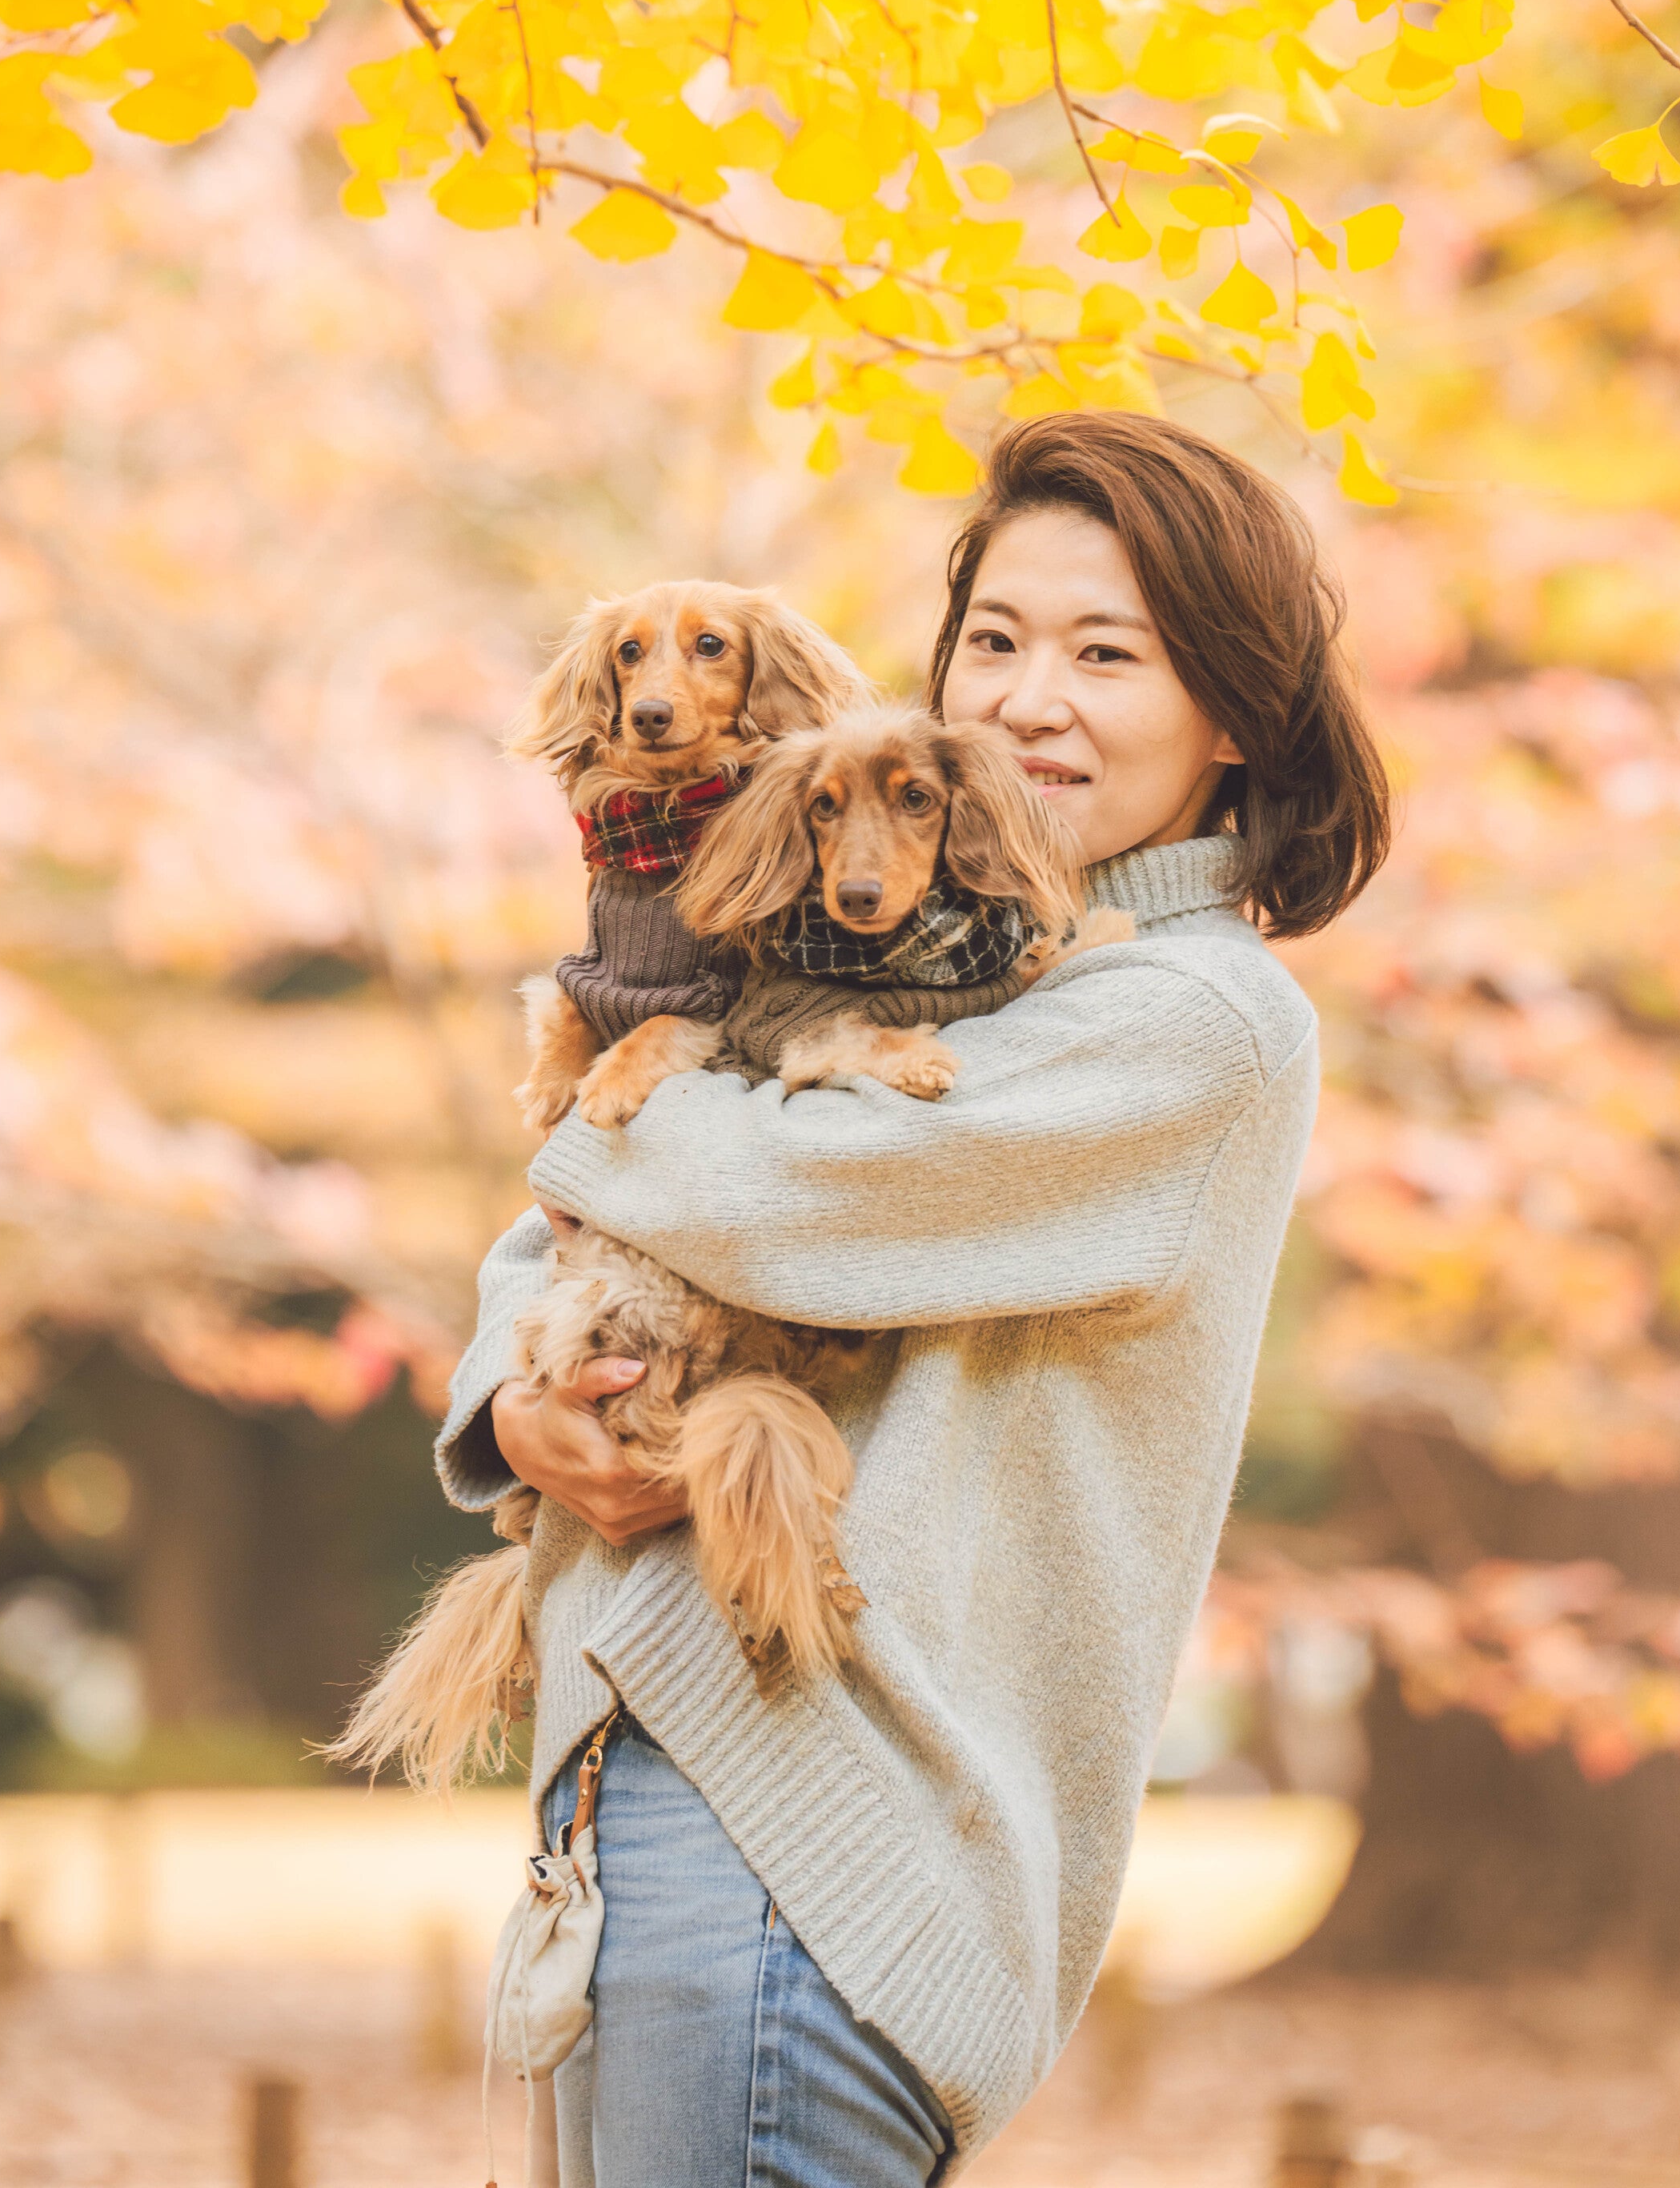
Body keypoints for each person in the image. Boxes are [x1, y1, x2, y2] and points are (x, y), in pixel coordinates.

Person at [437, 412, 1391, 2188]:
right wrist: (510, 1398)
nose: (1029, 697)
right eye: (995, 639)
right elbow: (582, 1218)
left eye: (1107, 655)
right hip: (657, 1820)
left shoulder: (1183, 1018)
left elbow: (759, 1200)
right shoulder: (886, 948)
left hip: (812, 1855)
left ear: (1236, 715)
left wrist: (599, 1115)